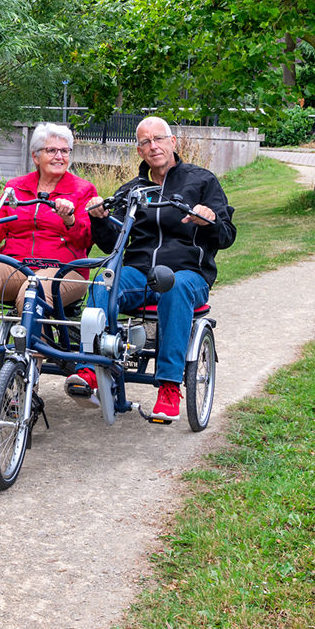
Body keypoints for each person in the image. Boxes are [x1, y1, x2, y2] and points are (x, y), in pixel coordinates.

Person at [70, 116, 236, 423]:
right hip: (139, 270)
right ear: (139, 150)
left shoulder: (201, 181)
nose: (153, 146)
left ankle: (170, 387)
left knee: (173, 286)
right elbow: (109, 245)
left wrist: (209, 219)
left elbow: (226, 235)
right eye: (145, 142)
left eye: (159, 139)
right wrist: (99, 219)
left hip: (188, 272)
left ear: (173, 142)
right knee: (104, 284)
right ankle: (89, 369)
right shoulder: (132, 189)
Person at [0, 122, 98, 320]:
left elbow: (86, 240)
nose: (59, 156)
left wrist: (69, 219)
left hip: (63, 271)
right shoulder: (15, 187)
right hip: (15, 265)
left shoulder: (83, 190)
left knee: (33, 289)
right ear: (36, 156)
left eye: (64, 151)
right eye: (51, 150)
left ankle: (34, 350)